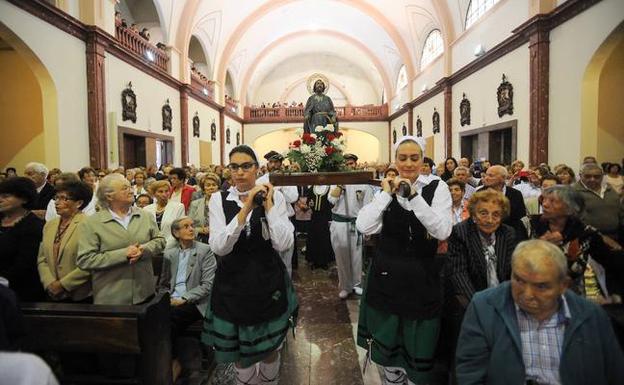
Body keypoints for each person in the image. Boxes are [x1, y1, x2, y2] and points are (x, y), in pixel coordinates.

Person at [456, 239, 624, 384]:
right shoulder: (485, 306)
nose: (528, 295)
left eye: (541, 286)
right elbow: (470, 374)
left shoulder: (591, 316)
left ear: (563, 285)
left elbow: (614, 374)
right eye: (519, 280)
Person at [356, 136, 452, 385]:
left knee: (417, 350)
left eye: (414, 158)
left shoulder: (436, 187)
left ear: (423, 160)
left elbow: (442, 231)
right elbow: (364, 225)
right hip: (387, 278)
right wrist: (386, 195)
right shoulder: (384, 190)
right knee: (389, 354)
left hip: (422, 277)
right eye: (402, 158)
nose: (408, 164)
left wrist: (413, 196)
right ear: (395, 160)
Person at [202, 145, 298, 385]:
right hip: (233, 283)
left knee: (268, 350)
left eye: (246, 166)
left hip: (266, 280)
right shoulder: (218, 199)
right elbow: (219, 246)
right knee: (240, 354)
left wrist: (267, 205)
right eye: (234, 167)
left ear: (257, 169)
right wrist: (245, 209)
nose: (240, 172)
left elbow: (284, 243)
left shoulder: (274, 197)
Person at [77, 174, 165, 305]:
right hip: (111, 297)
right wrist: (123, 254)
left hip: (145, 294)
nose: (131, 191)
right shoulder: (92, 223)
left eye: (130, 187)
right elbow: (85, 260)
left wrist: (143, 249)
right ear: (109, 196)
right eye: (124, 188)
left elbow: (160, 241)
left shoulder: (145, 216)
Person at [527, 185, 623, 301]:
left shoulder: (585, 234)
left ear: (570, 209)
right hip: (531, 293)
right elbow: (512, 261)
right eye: (544, 199)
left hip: (571, 298)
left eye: (552, 201)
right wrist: (538, 246)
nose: (545, 204)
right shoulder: (528, 225)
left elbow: (611, 264)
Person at [157, 217, 216, 377]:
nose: (192, 229)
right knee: (151, 318)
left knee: (168, 320)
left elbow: (207, 285)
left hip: (196, 301)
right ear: (176, 233)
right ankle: (166, 361)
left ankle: (173, 362)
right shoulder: (170, 254)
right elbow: (163, 283)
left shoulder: (205, 250)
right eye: (186, 226)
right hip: (171, 299)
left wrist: (183, 299)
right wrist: (166, 298)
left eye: (192, 226)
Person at [37, 181, 92, 302]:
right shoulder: (50, 225)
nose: (57, 202)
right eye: (56, 198)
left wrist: (63, 285)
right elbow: (42, 259)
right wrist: (49, 283)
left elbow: (90, 262)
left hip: (79, 294)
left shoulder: (89, 225)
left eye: (63, 198)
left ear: (79, 203)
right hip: (51, 292)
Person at [328, 153, 374, 299]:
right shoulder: (336, 181)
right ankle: (344, 286)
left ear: (356, 164)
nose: (349, 166)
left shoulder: (363, 183)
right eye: (346, 164)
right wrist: (340, 186)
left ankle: (356, 284)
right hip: (339, 223)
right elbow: (330, 200)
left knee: (356, 256)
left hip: (356, 223)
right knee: (341, 255)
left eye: (352, 163)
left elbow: (367, 206)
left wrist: (367, 227)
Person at [0, 177, 45, 301]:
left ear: (24, 198)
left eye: (6, 196)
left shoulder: (33, 226)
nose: (0, 199)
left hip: (19, 293)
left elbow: (25, 264)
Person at [257, 151, 298, 276]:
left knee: (286, 261)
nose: (274, 165)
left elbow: (293, 198)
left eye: (277, 162)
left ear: (281, 163)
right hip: (266, 223)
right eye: (271, 162)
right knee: (269, 261)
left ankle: (286, 286)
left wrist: (281, 184)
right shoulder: (260, 181)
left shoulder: (289, 179)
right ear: (267, 164)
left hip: (286, 221)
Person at [573, 163, 623, 245]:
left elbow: (620, 212)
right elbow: (575, 220)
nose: (592, 179)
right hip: (588, 239)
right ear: (580, 175)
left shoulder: (610, 190)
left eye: (597, 177)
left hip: (615, 236)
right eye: (587, 176)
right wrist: (600, 236)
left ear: (602, 176)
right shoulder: (573, 192)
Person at [479, 165, 528, 241]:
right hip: (485, 234)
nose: (486, 178)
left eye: (491, 176)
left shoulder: (515, 194)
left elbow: (520, 217)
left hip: (511, 235)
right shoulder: (480, 193)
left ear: (502, 178)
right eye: (486, 175)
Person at [144, 180, 185, 249]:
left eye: (166, 191)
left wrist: (166, 246)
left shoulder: (178, 207)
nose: (164, 194)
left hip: (172, 247)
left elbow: (178, 230)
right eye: (160, 191)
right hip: (151, 248)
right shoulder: (146, 209)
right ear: (154, 194)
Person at [306, 185, 335, 270]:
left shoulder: (329, 188)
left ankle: (324, 261)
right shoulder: (312, 188)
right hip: (314, 217)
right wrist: (310, 204)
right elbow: (309, 200)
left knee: (324, 239)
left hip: (324, 218)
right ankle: (314, 261)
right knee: (314, 238)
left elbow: (331, 203)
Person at [188, 173, 220, 244]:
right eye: (208, 185)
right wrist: (201, 230)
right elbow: (189, 225)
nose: (211, 187)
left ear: (218, 187)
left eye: (214, 185)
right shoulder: (195, 204)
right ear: (203, 188)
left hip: (219, 239)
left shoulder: (224, 203)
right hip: (201, 239)